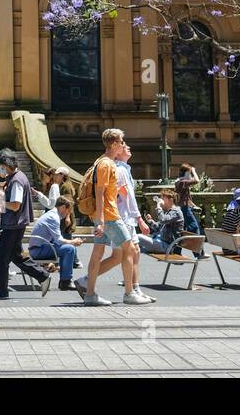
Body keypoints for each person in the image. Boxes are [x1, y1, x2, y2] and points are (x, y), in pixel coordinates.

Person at [76, 129, 144, 306]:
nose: (123, 144)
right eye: (121, 141)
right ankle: (129, 293)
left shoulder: (103, 161)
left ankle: (90, 294)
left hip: (103, 216)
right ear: (114, 144)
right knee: (129, 249)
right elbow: (100, 193)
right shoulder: (107, 164)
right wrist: (100, 221)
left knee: (98, 253)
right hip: (109, 216)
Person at [0, 150, 50, 300]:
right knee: (17, 256)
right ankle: (43, 276)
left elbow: (15, 205)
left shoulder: (16, 181)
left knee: (2, 259)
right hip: (15, 223)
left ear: (6, 165)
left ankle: (1, 292)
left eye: (0, 166)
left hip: (13, 224)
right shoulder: (16, 177)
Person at [115, 143, 155, 303]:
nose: (128, 147)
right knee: (124, 254)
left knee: (135, 251)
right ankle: (129, 292)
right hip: (124, 217)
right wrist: (140, 219)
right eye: (124, 146)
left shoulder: (125, 168)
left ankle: (135, 288)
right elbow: (127, 198)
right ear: (117, 152)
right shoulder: (120, 170)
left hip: (127, 217)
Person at [28, 196, 82, 291]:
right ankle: (66, 281)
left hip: (38, 248)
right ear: (63, 207)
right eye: (68, 210)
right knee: (70, 249)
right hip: (38, 250)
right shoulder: (54, 217)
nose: (68, 213)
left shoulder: (51, 214)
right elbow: (59, 240)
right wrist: (73, 242)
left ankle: (65, 280)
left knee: (67, 248)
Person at [137, 188, 185, 255]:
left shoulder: (176, 212)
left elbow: (163, 220)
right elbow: (158, 227)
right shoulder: (168, 212)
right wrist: (151, 221)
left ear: (170, 200)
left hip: (167, 246)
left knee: (137, 238)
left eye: (163, 199)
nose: (161, 200)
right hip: (161, 242)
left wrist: (159, 207)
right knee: (136, 248)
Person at [175, 162, 201, 236]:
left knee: (184, 228)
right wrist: (193, 171)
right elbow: (197, 180)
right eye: (189, 173)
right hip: (184, 208)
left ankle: (178, 245)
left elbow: (186, 198)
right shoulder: (182, 182)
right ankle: (198, 245)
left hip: (185, 207)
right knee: (194, 226)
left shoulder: (180, 182)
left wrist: (193, 206)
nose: (190, 175)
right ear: (186, 173)